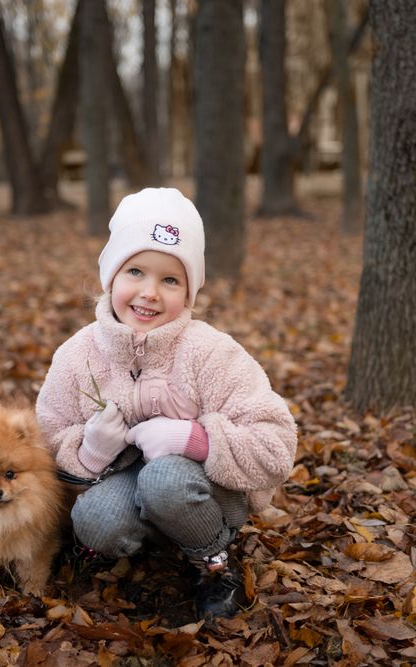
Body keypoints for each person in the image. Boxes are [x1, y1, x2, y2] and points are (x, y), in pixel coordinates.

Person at [36, 187, 297, 618]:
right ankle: (159, 544)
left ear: (189, 292)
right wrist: (90, 450)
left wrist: (194, 439)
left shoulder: (211, 352)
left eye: (170, 279)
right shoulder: (77, 355)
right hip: (121, 482)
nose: (150, 292)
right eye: (135, 271)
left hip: (208, 490)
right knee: (96, 520)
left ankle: (212, 563)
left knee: (165, 481)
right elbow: (45, 441)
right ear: (111, 277)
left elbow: (277, 446)